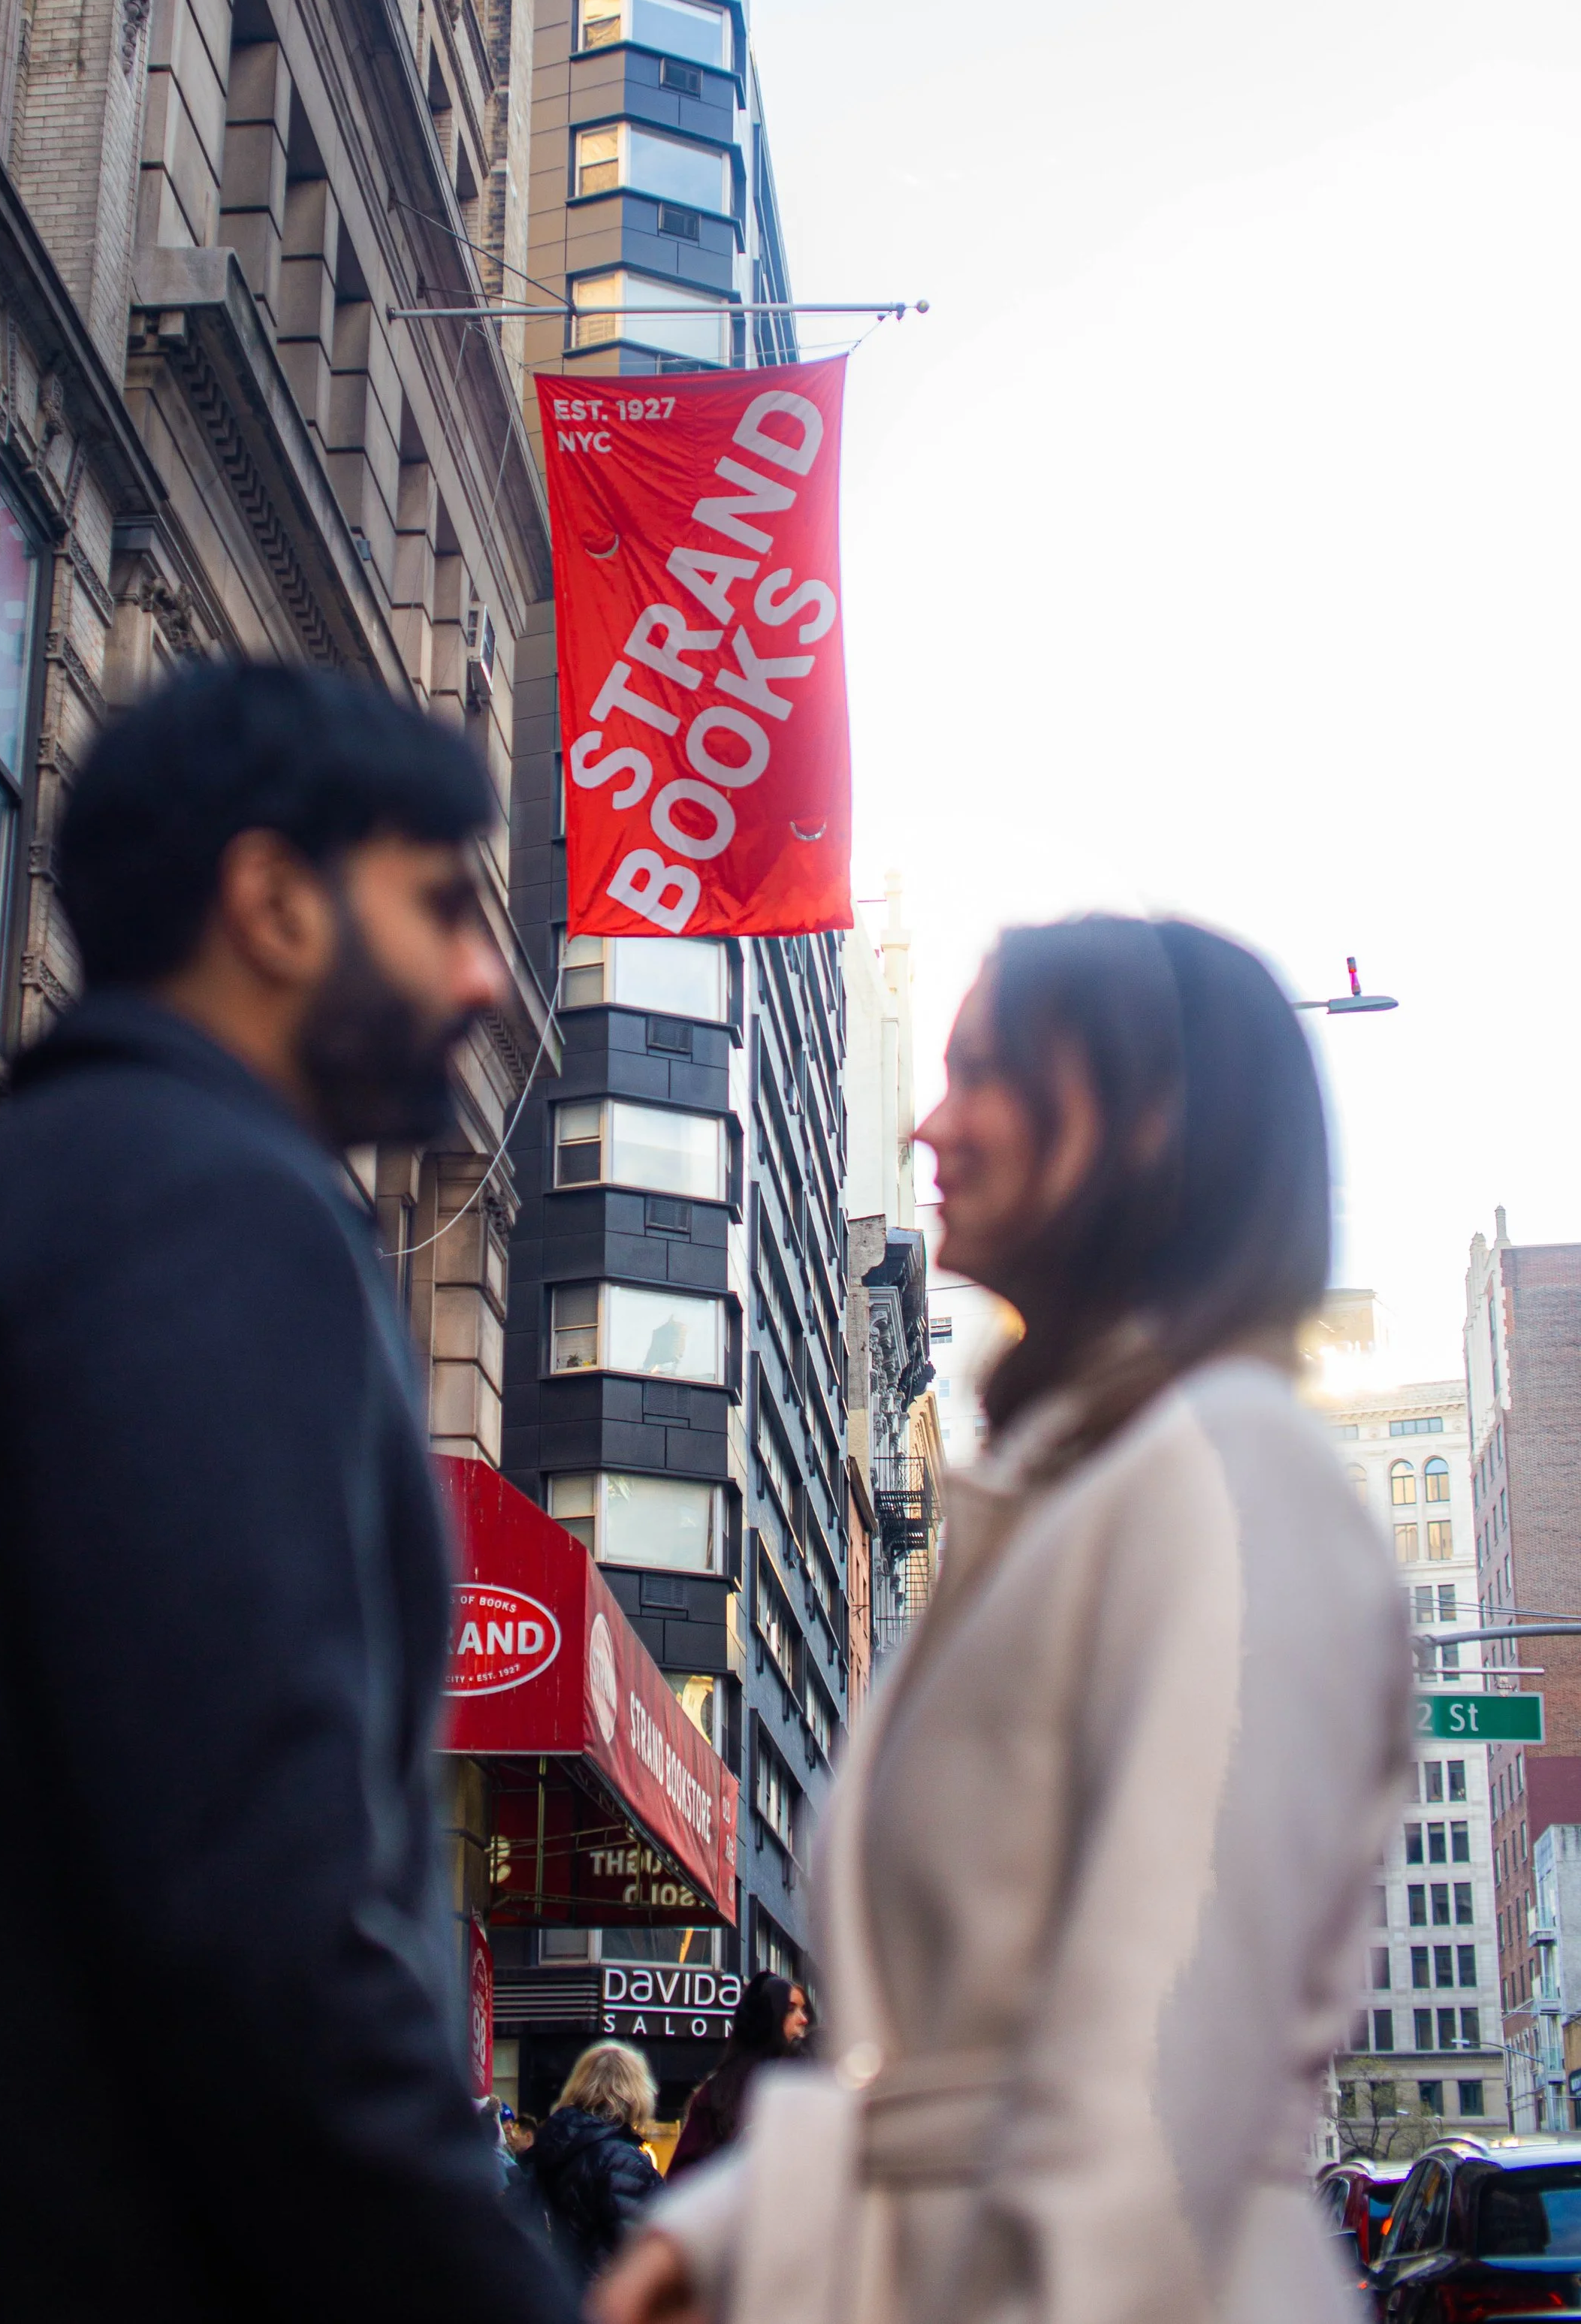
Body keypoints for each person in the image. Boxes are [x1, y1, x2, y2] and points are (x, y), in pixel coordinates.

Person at [0, 664, 578, 2324]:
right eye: (441, 903)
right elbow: (260, 1913)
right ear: (270, 901)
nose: (480, 975)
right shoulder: (213, 1221)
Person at [599, 915, 1411, 2324]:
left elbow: (1153, 2101)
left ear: (1134, 1116)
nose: (927, 1123)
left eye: (980, 1072)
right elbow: (958, 2080)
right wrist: (707, 2241)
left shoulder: (1234, 1473)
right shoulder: (1076, 1488)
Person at [524, 2044, 663, 2282]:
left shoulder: (550, 2144)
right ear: (636, 2092)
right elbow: (639, 2253)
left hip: (553, 2293)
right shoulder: (621, 2159)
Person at [666, 1973, 809, 2179]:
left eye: (802, 2009)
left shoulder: (808, 2078)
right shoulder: (719, 2091)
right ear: (769, 2018)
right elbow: (684, 2179)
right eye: (791, 2009)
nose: (803, 2019)